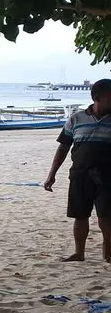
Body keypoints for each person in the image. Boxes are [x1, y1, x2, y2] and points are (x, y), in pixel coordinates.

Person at [44, 78, 111, 262]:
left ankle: (108, 255)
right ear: (97, 98)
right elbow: (63, 148)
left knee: (106, 217)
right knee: (80, 215)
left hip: (107, 177)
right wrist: (52, 175)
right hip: (80, 174)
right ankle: (79, 253)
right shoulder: (76, 119)